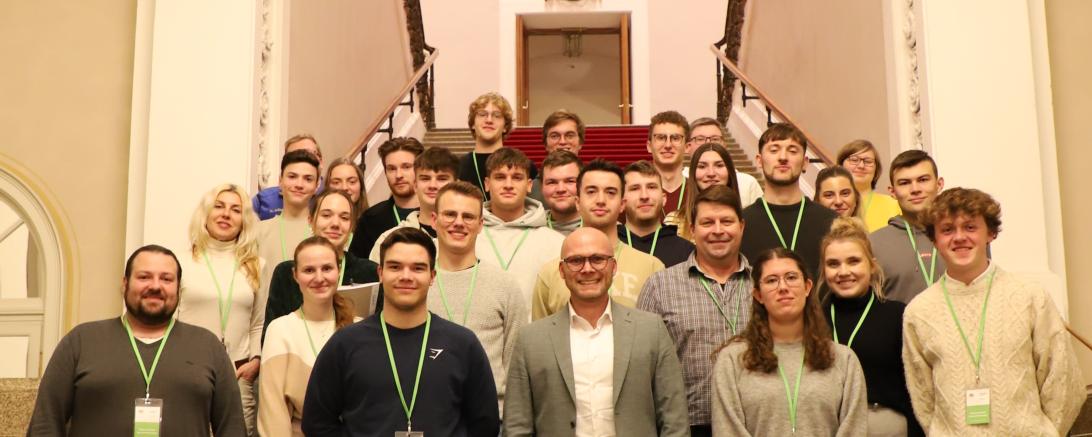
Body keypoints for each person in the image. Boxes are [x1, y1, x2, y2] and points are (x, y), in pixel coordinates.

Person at [902, 188, 1085, 436]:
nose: (959, 237)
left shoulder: (1030, 297)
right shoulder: (919, 311)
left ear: (990, 233)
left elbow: (1062, 380)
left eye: (969, 227)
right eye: (947, 230)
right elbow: (922, 396)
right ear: (934, 240)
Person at [27, 245, 246, 436]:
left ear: (178, 289)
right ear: (125, 284)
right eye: (144, 277)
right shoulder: (81, 341)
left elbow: (233, 428)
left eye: (166, 279)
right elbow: (45, 424)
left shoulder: (207, 346)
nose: (155, 286)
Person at [302, 227, 500, 436]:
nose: (406, 276)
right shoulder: (346, 343)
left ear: (432, 276)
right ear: (380, 273)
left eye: (418, 268)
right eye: (395, 267)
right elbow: (316, 424)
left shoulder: (462, 344)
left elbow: (485, 426)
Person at [504, 228, 690, 437]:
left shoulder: (650, 330)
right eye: (576, 261)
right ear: (562, 270)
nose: (587, 269)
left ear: (613, 267)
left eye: (597, 259)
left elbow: (674, 419)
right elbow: (517, 426)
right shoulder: (531, 340)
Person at [711, 247, 867, 436]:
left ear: (807, 287)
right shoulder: (733, 360)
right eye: (771, 281)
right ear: (758, 295)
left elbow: (854, 430)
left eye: (791, 277)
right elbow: (727, 430)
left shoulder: (843, 360)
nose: (783, 287)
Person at [637, 185, 753, 437]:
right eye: (708, 222)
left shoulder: (764, 285)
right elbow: (642, 368)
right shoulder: (660, 286)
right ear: (692, 229)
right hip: (687, 426)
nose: (718, 230)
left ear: (741, 226)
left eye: (727, 221)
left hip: (755, 423)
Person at [428, 181, 528, 412]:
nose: (459, 223)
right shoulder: (415, 282)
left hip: (491, 419)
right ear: (434, 220)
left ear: (481, 224)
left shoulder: (504, 285)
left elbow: (516, 366)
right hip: (428, 417)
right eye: (450, 214)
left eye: (468, 216)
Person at [819, 217, 922, 436]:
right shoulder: (812, 321)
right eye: (833, 264)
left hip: (883, 427)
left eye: (854, 261)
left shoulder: (898, 315)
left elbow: (915, 389)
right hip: (827, 426)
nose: (843, 271)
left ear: (872, 264)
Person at [176, 184, 265, 435]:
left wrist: (255, 361)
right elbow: (171, 319)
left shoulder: (257, 265)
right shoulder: (180, 262)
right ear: (205, 214)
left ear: (244, 220)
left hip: (238, 374)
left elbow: (258, 322)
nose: (226, 214)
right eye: (219, 206)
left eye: (236, 210)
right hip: (189, 370)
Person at [531, 159, 664, 319]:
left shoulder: (652, 268)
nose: (601, 200)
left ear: (622, 204)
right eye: (591, 191)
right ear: (578, 202)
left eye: (610, 192)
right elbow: (542, 338)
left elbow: (657, 336)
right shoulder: (551, 272)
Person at [258, 237, 360, 437]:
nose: (319, 277)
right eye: (309, 270)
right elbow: (273, 416)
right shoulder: (280, 330)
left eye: (327, 268)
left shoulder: (359, 328)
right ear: (295, 275)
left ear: (339, 271)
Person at [265, 190, 379, 336]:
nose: (335, 224)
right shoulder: (286, 273)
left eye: (344, 218)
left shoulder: (370, 272)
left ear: (352, 226)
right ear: (310, 220)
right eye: (326, 215)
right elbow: (271, 335)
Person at [740, 123, 837, 281]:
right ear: (759, 160)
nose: (783, 157)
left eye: (792, 151)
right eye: (774, 150)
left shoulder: (832, 222)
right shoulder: (741, 223)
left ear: (805, 162)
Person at [476, 147, 564, 309]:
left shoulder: (555, 243)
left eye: (517, 178)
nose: (508, 185)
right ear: (487, 184)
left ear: (529, 185)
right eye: (500, 177)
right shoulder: (469, 236)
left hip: (534, 333)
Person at [869, 150, 947, 304]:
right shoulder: (872, 243)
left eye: (923, 180)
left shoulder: (963, 237)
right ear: (892, 191)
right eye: (904, 183)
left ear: (939, 184)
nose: (915, 189)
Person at [367, 146, 459, 261]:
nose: (433, 185)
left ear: (456, 184)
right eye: (425, 179)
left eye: (442, 179)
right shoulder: (389, 239)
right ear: (415, 185)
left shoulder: (475, 234)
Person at [349, 137, 424, 259]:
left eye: (406, 167)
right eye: (391, 168)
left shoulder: (439, 216)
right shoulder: (370, 220)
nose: (398, 175)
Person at [257, 150, 320, 292]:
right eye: (292, 176)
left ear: (317, 186)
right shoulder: (259, 231)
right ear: (280, 181)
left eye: (308, 179)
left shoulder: (323, 231)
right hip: (269, 312)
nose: (299, 184)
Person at [458, 92, 537, 199]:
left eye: (497, 115)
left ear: (505, 126)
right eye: (482, 114)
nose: (489, 120)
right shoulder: (458, 167)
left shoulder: (524, 165)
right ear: (472, 124)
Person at [619, 159, 694, 267]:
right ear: (622, 201)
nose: (644, 196)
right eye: (635, 189)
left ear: (664, 199)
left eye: (651, 187)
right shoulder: (607, 247)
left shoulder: (688, 251)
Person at [688, 117, 764, 207]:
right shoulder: (681, 183)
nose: (708, 144)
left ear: (724, 144)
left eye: (715, 139)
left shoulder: (747, 183)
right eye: (700, 139)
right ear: (688, 146)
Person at [676, 142, 742, 240]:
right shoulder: (674, 221)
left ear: (730, 172)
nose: (711, 173)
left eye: (719, 165)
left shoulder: (748, 218)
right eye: (702, 166)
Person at [253, 134, 324, 220]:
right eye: (294, 156)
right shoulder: (264, 200)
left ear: (321, 161)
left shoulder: (333, 198)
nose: (302, 159)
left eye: (309, 154)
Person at [837, 140, 901, 231]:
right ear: (841, 165)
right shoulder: (831, 203)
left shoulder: (893, 205)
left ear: (876, 169)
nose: (861, 166)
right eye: (854, 160)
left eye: (868, 161)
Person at [530, 110, 585, 202]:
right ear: (546, 144)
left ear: (580, 142)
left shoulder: (595, 182)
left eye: (570, 135)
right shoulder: (530, 190)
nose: (562, 141)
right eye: (555, 136)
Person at [647, 110, 690, 224]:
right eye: (661, 138)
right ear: (649, 146)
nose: (668, 145)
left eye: (675, 138)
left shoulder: (697, 192)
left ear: (687, 147)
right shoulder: (636, 193)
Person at [540, 150, 584, 235]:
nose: (560, 189)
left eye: (570, 181)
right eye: (552, 182)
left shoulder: (603, 226)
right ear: (541, 187)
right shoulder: (530, 229)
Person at [324, 157, 369, 222]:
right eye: (336, 182)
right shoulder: (316, 222)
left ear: (361, 186)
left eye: (352, 182)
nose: (344, 187)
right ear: (327, 187)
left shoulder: (372, 221)